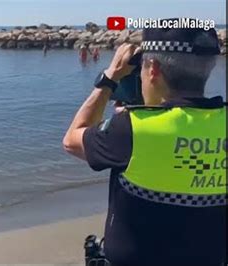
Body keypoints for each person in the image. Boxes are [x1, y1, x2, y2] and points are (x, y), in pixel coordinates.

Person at [62, 19, 226, 266]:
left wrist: (110, 78)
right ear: (209, 67)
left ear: (152, 69)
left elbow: (73, 139)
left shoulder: (132, 128)